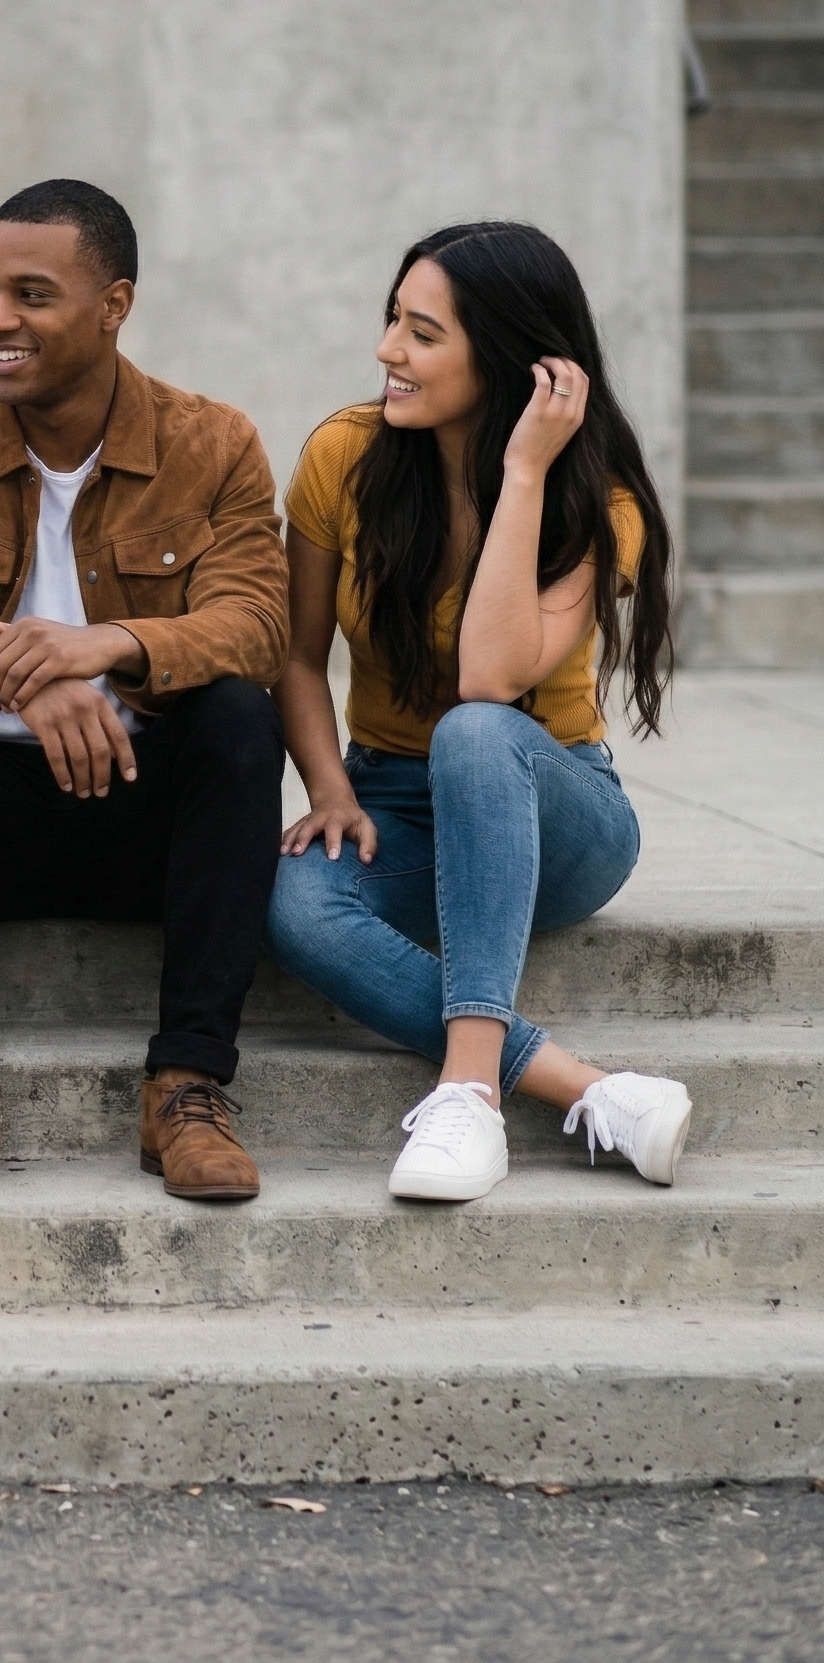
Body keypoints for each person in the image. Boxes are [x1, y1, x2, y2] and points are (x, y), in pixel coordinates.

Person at [0, 179, 289, 1203]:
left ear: (113, 305)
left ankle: (186, 1084)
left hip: (143, 824)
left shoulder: (210, 442)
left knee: (233, 714)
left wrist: (106, 646)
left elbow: (256, 623)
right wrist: (20, 675)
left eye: (31, 295)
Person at [266, 221, 691, 1203]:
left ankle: (466, 1089)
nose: (386, 351)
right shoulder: (343, 454)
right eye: (390, 321)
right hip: (390, 797)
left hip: (554, 807)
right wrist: (329, 788)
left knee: (474, 731)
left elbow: (490, 681)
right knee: (294, 904)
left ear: (503, 357)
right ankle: (588, 1089)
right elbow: (292, 657)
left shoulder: (595, 493)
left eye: (420, 333)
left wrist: (525, 471)